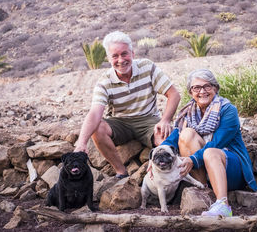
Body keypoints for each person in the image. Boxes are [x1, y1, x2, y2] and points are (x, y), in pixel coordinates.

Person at [74, 31, 180, 179]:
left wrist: (165, 120)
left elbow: (173, 94)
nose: (120, 60)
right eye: (115, 56)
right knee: (97, 128)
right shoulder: (104, 82)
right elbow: (94, 113)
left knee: (166, 139)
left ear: (132, 53)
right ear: (109, 59)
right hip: (120, 122)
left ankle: (172, 177)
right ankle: (121, 172)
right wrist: (81, 143)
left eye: (124, 54)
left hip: (148, 119)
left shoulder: (148, 67)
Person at [161, 68, 257, 217]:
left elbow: (218, 143)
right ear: (190, 92)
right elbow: (173, 138)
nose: (202, 91)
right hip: (204, 169)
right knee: (186, 134)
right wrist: (157, 153)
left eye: (207, 86)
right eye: (196, 87)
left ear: (215, 88)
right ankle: (204, 191)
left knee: (210, 152)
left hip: (231, 168)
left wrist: (193, 159)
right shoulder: (188, 113)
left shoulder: (228, 110)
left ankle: (223, 205)